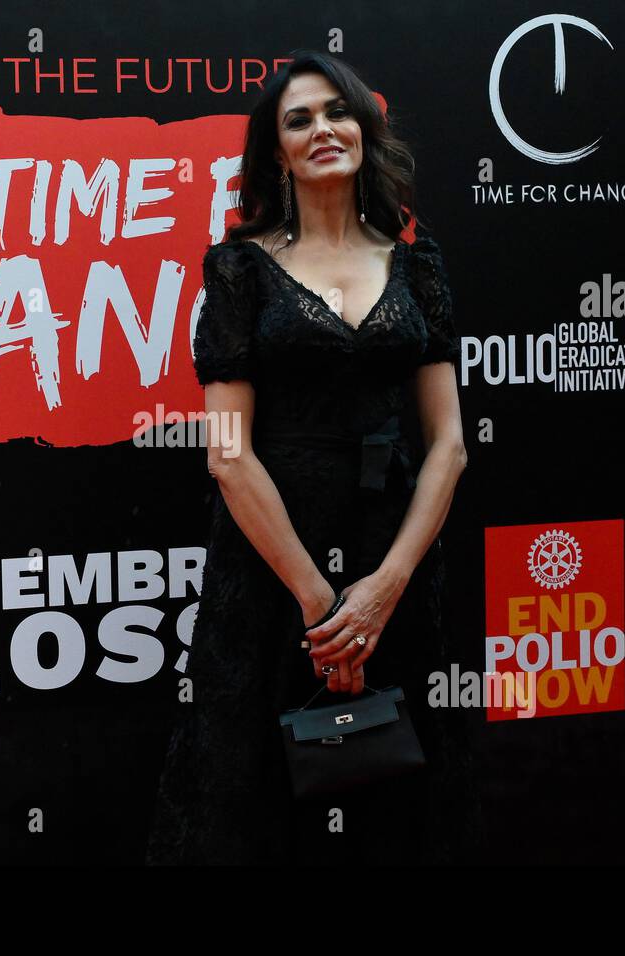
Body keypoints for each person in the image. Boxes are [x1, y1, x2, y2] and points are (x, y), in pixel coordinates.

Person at [145, 50, 485, 865]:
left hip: (394, 562)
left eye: (337, 111)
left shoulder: (415, 263)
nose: (323, 128)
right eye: (299, 119)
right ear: (276, 152)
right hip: (272, 565)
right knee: (253, 782)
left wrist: (384, 591)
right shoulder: (240, 270)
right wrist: (321, 605)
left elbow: (448, 445)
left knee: (394, 778)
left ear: (364, 129)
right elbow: (228, 457)